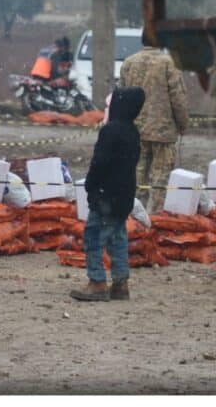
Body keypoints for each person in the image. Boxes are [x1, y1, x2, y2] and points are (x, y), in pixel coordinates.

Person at [71, 86, 146, 302]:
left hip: (107, 195)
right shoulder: (132, 131)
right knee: (117, 238)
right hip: (124, 196)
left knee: (93, 237)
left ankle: (97, 282)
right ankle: (120, 284)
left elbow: (100, 163)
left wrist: (91, 185)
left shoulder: (110, 130)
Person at [119, 29, 189, 213]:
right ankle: (154, 217)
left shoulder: (128, 63)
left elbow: (120, 96)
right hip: (163, 132)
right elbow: (178, 98)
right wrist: (183, 124)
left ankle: (134, 214)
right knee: (160, 179)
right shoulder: (169, 63)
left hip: (135, 130)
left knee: (136, 175)